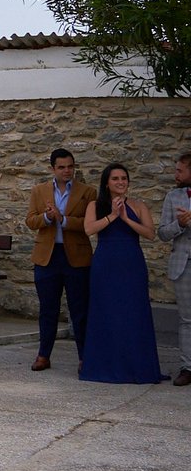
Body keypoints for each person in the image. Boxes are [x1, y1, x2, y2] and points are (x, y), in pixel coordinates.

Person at [80, 163, 163, 384]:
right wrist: (113, 215)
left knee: (133, 313)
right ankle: (104, 365)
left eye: (124, 178)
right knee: (106, 312)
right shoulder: (94, 205)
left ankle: (136, 366)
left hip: (131, 263)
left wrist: (126, 218)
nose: (120, 182)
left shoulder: (139, 205)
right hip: (106, 264)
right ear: (107, 183)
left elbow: (150, 234)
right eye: (115, 178)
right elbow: (89, 230)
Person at [24, 148, 96, 372]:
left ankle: (85, 357)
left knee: (80, 309)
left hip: (76, 256)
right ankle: (43, 355)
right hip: (47, 256)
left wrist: (63, 219)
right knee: (48, 309)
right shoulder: (39, 190)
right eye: (62, 167)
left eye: (70, 167)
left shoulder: (88, 192)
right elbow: (30, 221)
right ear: (53, 169)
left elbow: (88, 224)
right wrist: (47, 217)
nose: (67, 171)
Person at [157, 153, 191, 387]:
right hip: (183, 265)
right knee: (187, 319)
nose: (175, 174)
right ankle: (188, 366)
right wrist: (179, 224)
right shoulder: (172, 196)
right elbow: (162, 233)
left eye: (180, 170)